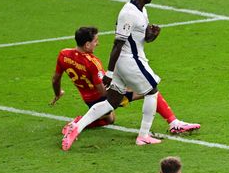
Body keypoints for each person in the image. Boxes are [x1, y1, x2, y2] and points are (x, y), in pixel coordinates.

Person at [63, 0, 181, 150]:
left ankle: (76, 128)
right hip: (129, 61)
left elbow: (143, 38)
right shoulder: (128, 13)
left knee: (111, 102)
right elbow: (117, 44)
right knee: (152, 91)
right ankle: (143, 135)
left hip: (128, 60)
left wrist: (153, 35)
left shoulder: (142, 10)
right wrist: (110, 73)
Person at [51, 26, 200, 133]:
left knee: (110, 119)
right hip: (103, 98)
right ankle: (173, 122)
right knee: (149, 89)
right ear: (87, 44)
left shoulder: (63, 54)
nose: (98, 43)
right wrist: (124, 89)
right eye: (96, 41)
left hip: (88, 99)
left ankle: (78, 123)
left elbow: (56, 79)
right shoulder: (92, 62)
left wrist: (58, 93)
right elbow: (103, 91)